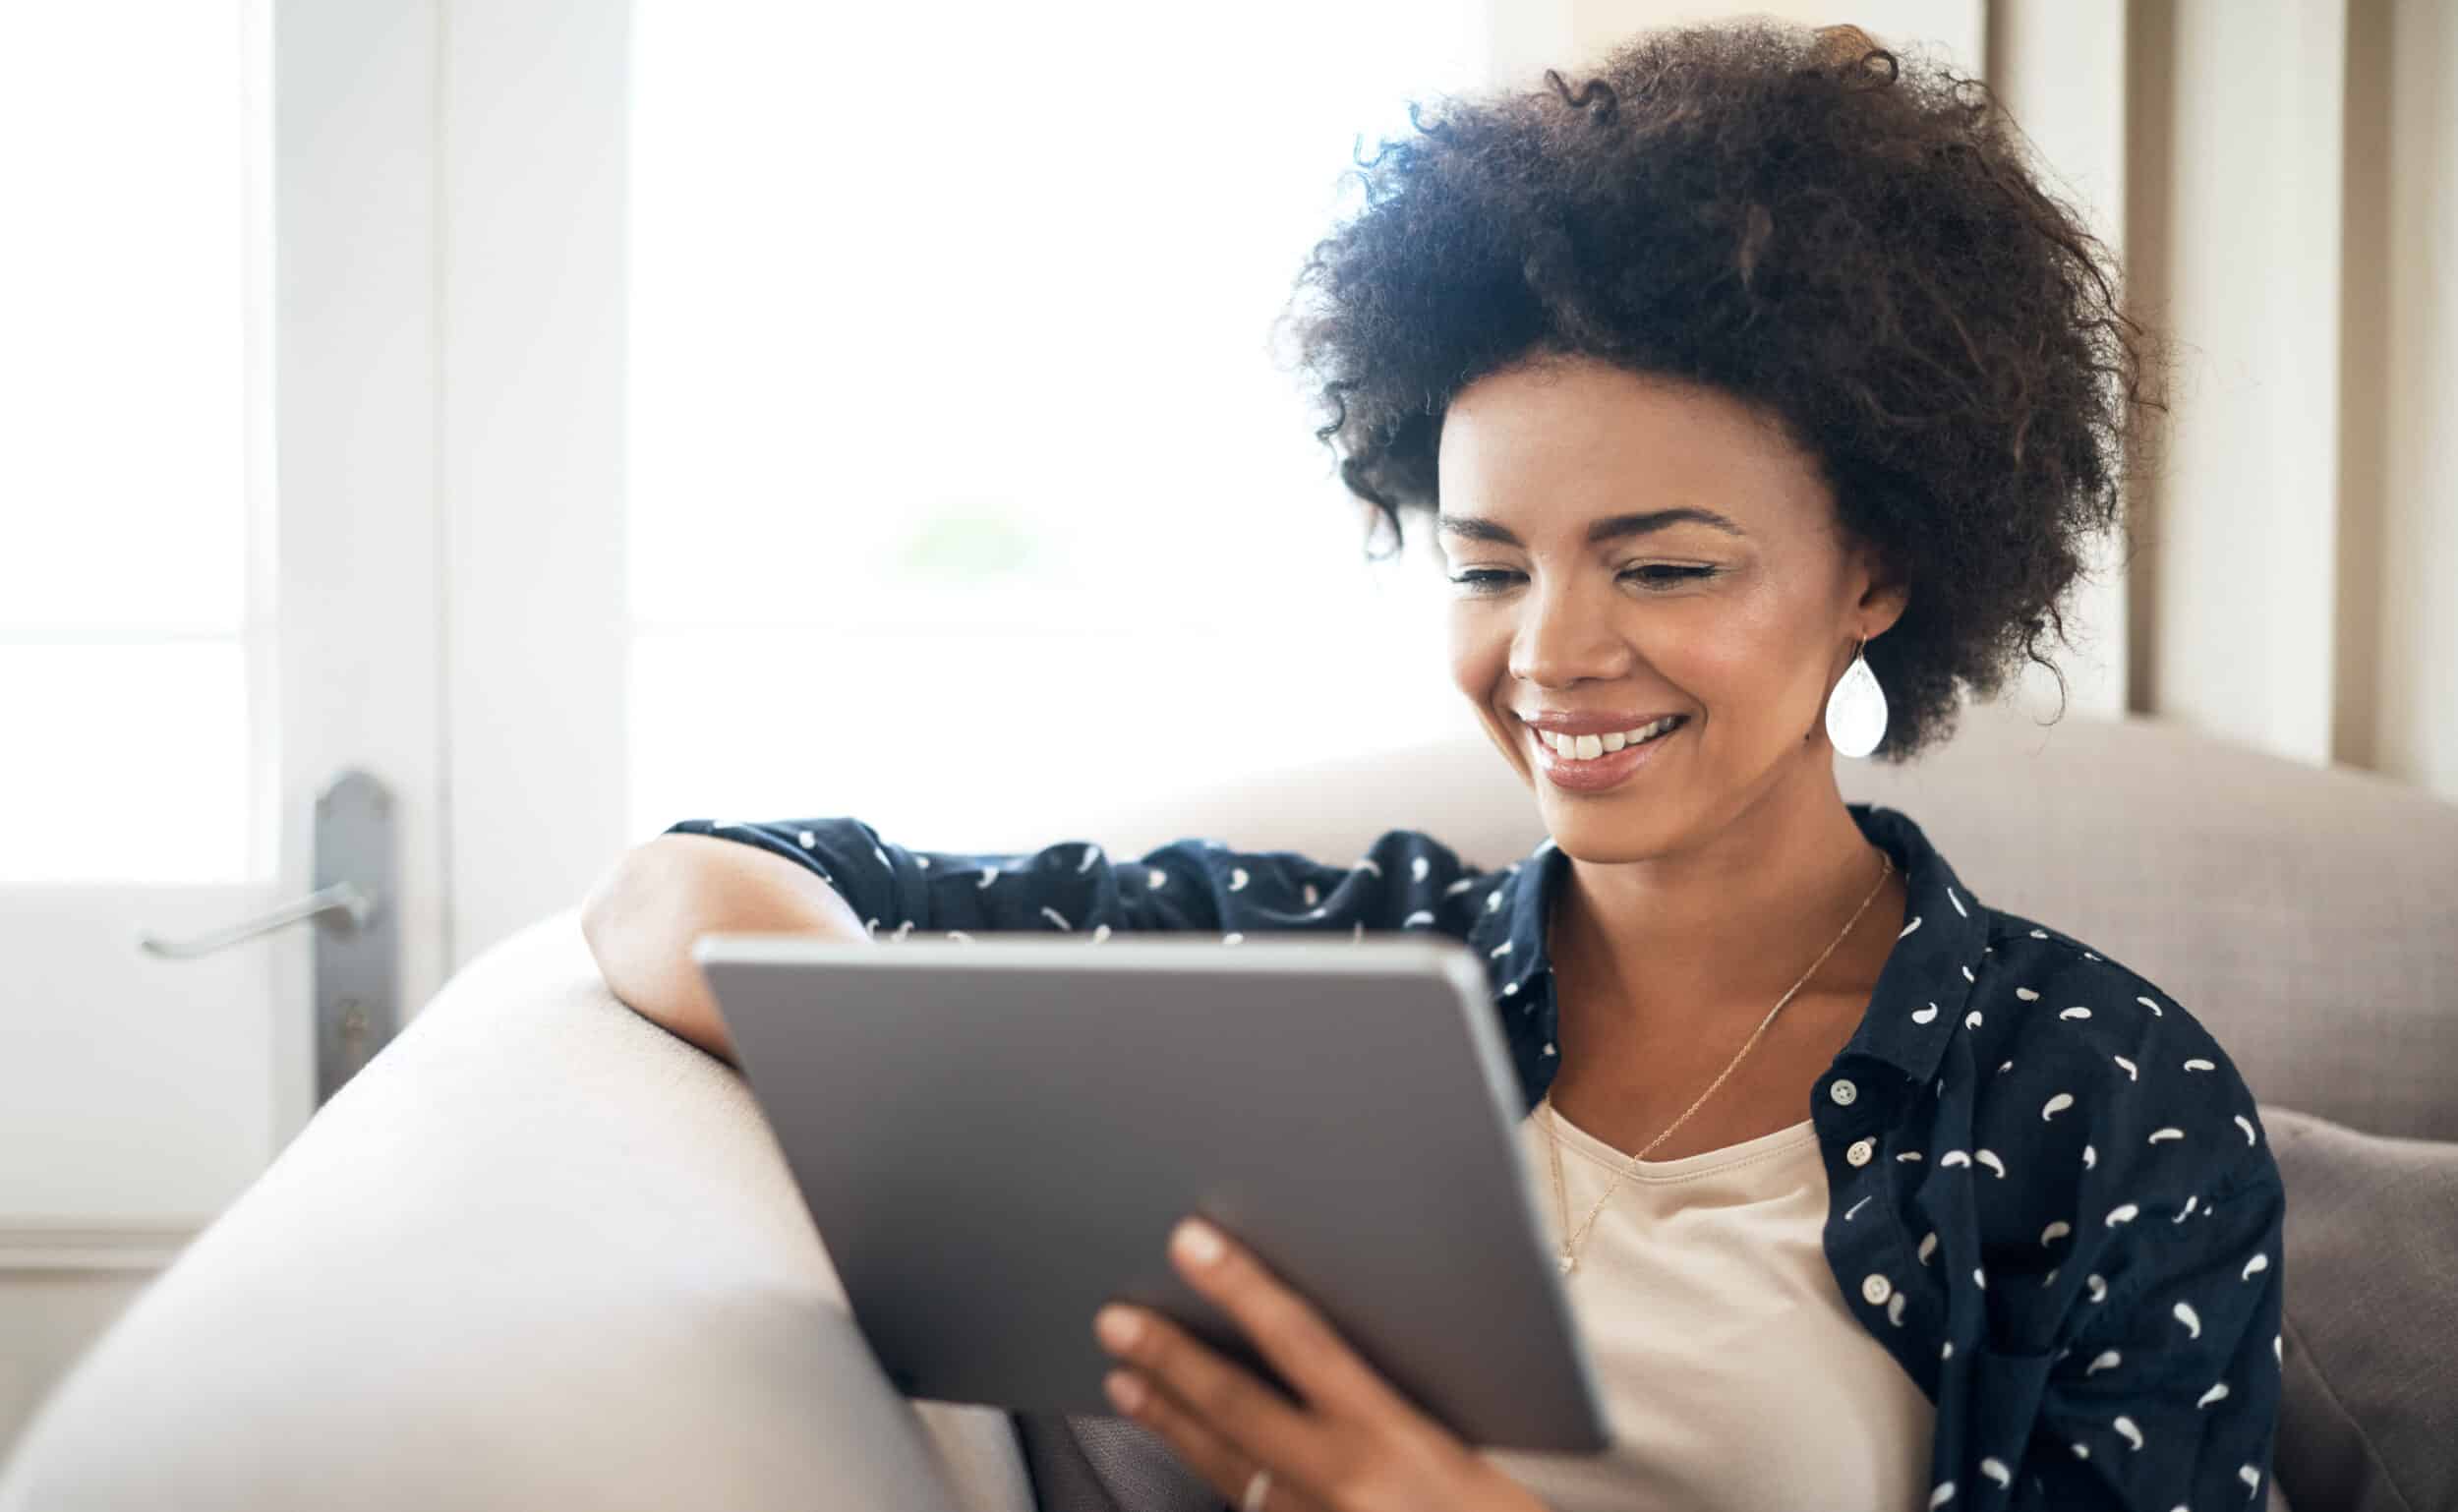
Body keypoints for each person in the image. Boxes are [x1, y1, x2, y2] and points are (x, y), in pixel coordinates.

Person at [583, 19, 2284, 1512]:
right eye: (1486, 565)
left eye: (1665, 563)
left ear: (1879, 573)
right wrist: (942, 1066)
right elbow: (679, 890)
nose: (1548, 649)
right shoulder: (1337, 969)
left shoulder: (2102, 1101)